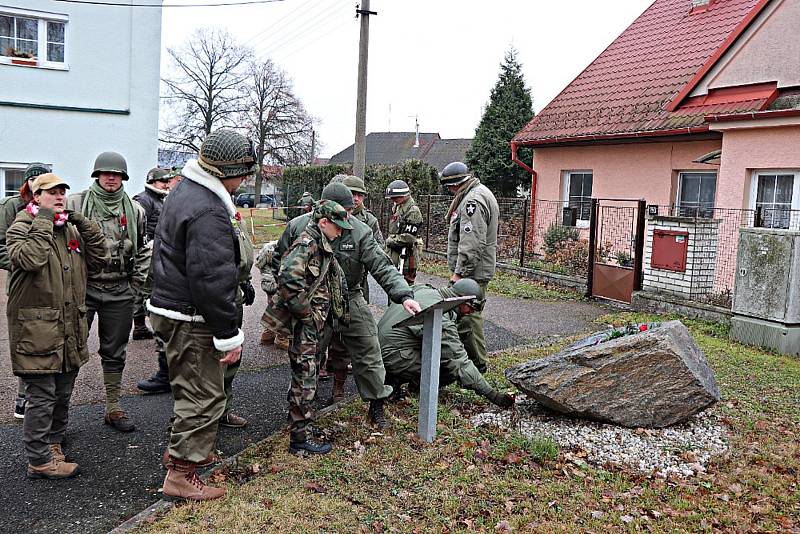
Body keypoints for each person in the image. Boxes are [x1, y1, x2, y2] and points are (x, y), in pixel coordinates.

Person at [148, 129, 254, 501]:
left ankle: (183, 453)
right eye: (244, 171)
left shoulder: (185, 191)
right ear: (230, 169)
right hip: (191, 316)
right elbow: (211, 277)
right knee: (204, 395)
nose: (245, 179)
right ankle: (181, 473)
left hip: (173, 308)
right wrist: (229, 333)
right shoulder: (209, 207)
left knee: (189, 387)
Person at [269, 182, 422, 428]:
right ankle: (301, 413)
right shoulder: (298, 227)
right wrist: (289, 300)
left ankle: (376, 405)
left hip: (350, 296)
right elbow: (279, 261)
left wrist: (404, 295)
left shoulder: (360, 231)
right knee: (307, 355)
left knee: (369, 347)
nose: (347, 217)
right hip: (312, 300)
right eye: (343, 212)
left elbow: (381, 265)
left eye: (350, 212)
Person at [6, 173, 105, 479]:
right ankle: (38, 459)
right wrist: (45, 219)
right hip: (37, 330)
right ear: (36, 197)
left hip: (69, 326)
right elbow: (32, 259)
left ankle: (54, 444)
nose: (60, 195)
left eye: (63, 191)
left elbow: (100, 257)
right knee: (42, 394)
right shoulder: (22, 226)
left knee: (63, 392)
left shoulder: (70, 229)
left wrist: (82, 222)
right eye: (52, 192)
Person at [67, 152, 150, 432]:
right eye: (105, 173)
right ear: (97, 175)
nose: (111, 177)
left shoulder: (136, 210)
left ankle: (113, 407)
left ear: (124, 178)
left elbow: (143, 250)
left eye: (117, 174)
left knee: (115, 351)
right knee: (71, 348)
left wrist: (135, 285)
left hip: (119, 289)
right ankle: (58, 419)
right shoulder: (76, 204)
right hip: (84, 287)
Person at [263, 199, 351, 455]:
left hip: (311, 323)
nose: (341, 232)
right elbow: (289, 280)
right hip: (306, 325)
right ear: (324, 222)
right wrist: (307, 315)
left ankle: (301, 428)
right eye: (338, 227)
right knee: (305, 375)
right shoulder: (307, 243)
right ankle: (299, 439)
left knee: (307, 373)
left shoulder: (319, 241)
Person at [377, 279, 514, 409]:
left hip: (377, 348)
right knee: (448, 367)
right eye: (471, 308)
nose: (471, 313)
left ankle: (395, 378)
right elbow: (459, 361)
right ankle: (413, 386)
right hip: (392, 355)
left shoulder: (425, 290)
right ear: (462, 300)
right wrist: (494, 396)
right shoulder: (439, 316)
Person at [0, 162, 51, 420]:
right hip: (23, 285)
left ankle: (44, 401)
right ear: (26, 183)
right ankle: (23, 398)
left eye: (43, 179)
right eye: (33, 179)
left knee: (45, 340)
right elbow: (1, 244)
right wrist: (21, 263)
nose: (37, 183)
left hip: (50, 285)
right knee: (27, 341)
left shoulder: (52, 205)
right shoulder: (11, 207)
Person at [441, 161, 499, 373]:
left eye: (448, 186)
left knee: (468, 317)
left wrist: (459, 274)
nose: (448, 191)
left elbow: (471, 241)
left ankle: (477, 366)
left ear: (455, 184)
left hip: (472, 271)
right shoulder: (478, 192)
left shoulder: (472, 201)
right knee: (468, 316)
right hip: (476, 268)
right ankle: (472, 362)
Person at [134, 167, 173, 394]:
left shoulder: (162, 199)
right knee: (148, 298)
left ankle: (168, 372)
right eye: (162, 182)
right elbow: (139, 225)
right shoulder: (144, 199)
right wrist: (146, 245)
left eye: (167, 181)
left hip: (162, 257)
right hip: (149, 256)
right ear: (152, 182)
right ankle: (140, 326)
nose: (166, 184)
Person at [384, 179, 424, 285]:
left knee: (404, 289)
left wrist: (390, 240)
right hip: (395, 257)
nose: (393, 199)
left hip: (406, 260)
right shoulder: (398, 207)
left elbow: (408, 238)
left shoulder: (412, 211)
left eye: (395, 197)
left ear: (404, 195)